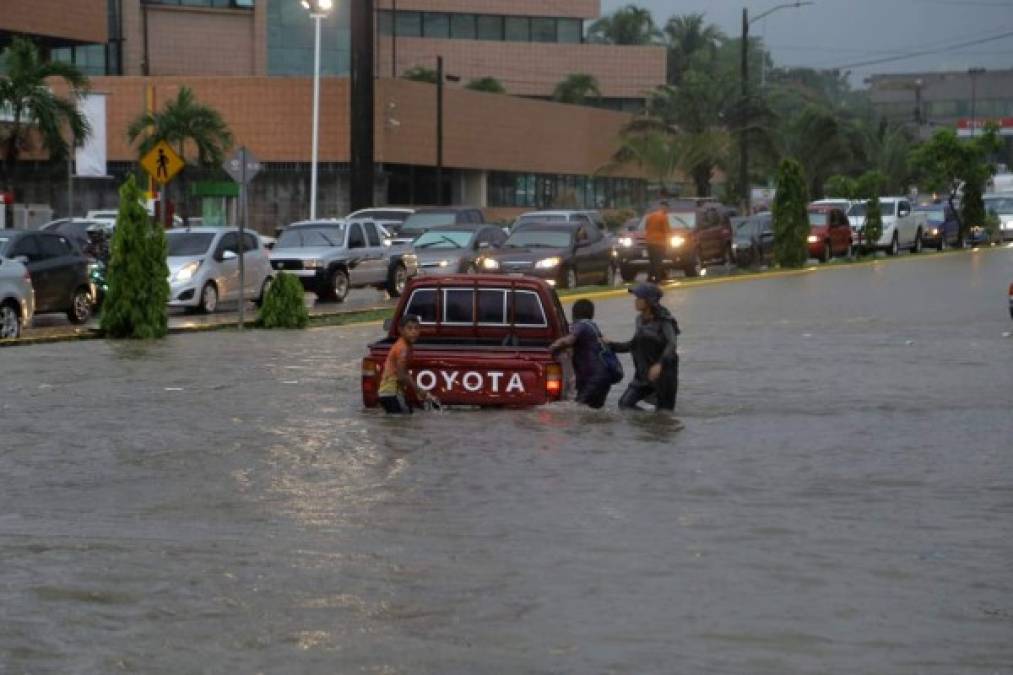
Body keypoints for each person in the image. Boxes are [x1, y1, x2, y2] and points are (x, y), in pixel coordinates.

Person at [608, 283, 680, 413]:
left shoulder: (665, 321)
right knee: (624, 404)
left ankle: (657, 425)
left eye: (639, 298)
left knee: (664, 414)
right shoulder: (639, 320)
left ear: (649, 301)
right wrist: (611, 345)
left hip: (664, 376)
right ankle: (648, 422)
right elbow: (633, 345)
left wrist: (659, 365)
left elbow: (672, 344)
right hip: (643, 374)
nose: (635, 301)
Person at [549, 299, 613, 409]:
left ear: (573, 313)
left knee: (578, 408)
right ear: (592, 314)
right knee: (594, 412)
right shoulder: (593, 327)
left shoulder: (581, 325)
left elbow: (568, 340)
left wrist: (552, 347)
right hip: (604, 378)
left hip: (593, 379)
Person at [377, 314, 438, 414]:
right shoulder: (403, 348)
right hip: (391, 392)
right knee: (402, 421)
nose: (413, 332)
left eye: (416, 328)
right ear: (401, 330)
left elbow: (403, 373)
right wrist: (419, 390)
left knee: (404, 420)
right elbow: (402, 376)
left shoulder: (406, 345)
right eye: (409, 328)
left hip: (391, 392)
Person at [644, 199, 671, 283]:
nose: (667, 211)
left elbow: (646, 227)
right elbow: (667, 230)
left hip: (649, 242)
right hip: (659, 243)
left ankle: (649, 278)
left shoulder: (650, 216)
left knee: (652, 261)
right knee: (658, 262)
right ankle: (657, 279)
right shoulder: (663, 217)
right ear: (665, 208)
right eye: (667, 209)